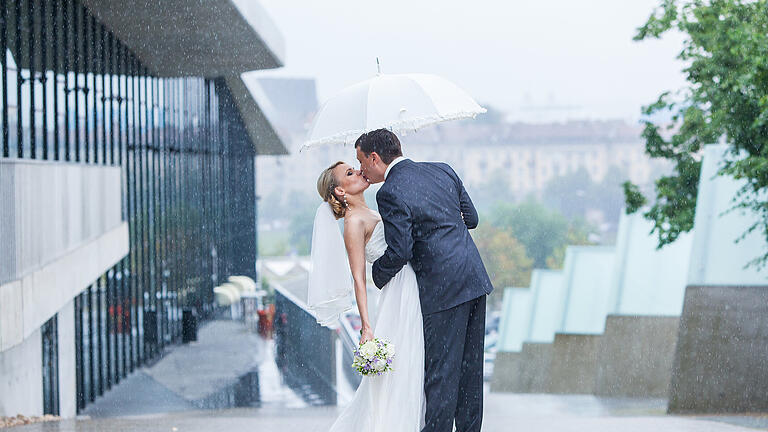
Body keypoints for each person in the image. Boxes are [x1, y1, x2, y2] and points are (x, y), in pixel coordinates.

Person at [356, 129, 493, 432]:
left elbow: (400, 248)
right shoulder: (442, 169)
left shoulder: (389, 192)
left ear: (375, 158)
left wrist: (377, 274)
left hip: (442, 288)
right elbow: (471, 219)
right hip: (474, 277)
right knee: (471, 372)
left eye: (361, 161)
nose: (362, 169)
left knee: (441, 375)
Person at [310, 160, 425, 431]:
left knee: (411, 365)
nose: (359, 172)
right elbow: (359, 279)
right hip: (397, 293)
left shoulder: (372, 211)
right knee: (402, 366)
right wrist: (367, 326)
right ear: (339, 191)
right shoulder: (353, 224)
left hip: (410, 284)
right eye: (350, 173)